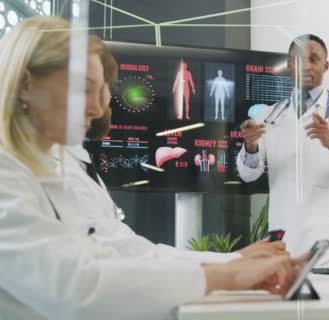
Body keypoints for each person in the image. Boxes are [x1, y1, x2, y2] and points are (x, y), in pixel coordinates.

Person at [0, 16, 301, 320]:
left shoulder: (47, 171)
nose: (96, 108)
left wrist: (232, 265)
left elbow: (112, 256)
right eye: (82, 89)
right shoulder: (7, 175)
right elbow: (75, 286)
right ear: (26, 84)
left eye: (100, 93)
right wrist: (229, 274)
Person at [61, 38, 286, 263]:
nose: (101, 103)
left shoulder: (82, 169)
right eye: (85, 89)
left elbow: (131, 250)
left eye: (104, 89)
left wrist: (233, 261)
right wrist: (232, 263)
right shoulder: (58, 174)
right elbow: (112, 262)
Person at [236, 34, 329, 263]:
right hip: (282, 242)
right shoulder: (268, 116)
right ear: (290, 64)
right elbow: (248, 174)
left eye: (314, 59)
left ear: (326, 65)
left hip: (324, 245)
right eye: (300, 60)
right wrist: (250, 146)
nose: (307, 66)